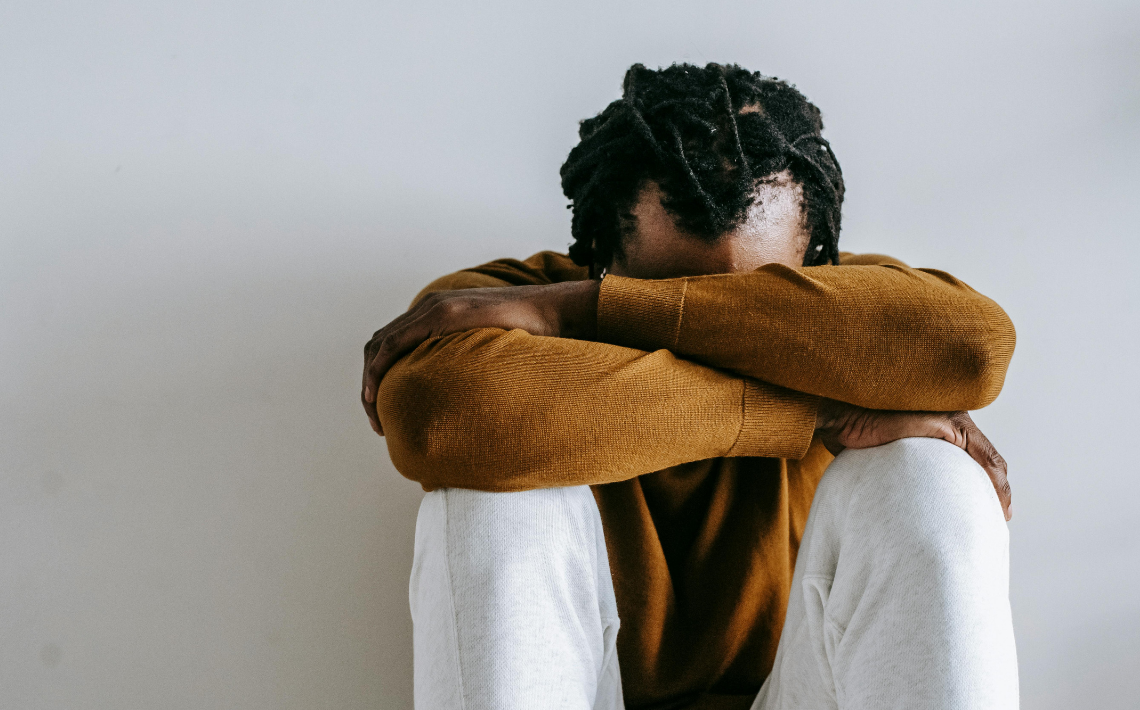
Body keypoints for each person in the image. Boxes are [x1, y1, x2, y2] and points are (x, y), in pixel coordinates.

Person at [361, 63, 1019, 710]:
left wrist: (594, 312)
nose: (705, 312)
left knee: (930, 474)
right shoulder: (493, 308)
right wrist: (812, 408)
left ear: (813, 260)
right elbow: (442, 421)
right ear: (600, 256)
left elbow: (976, 348)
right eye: (663, 288)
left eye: (758, 296)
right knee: (488, 501)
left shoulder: (851, 312)